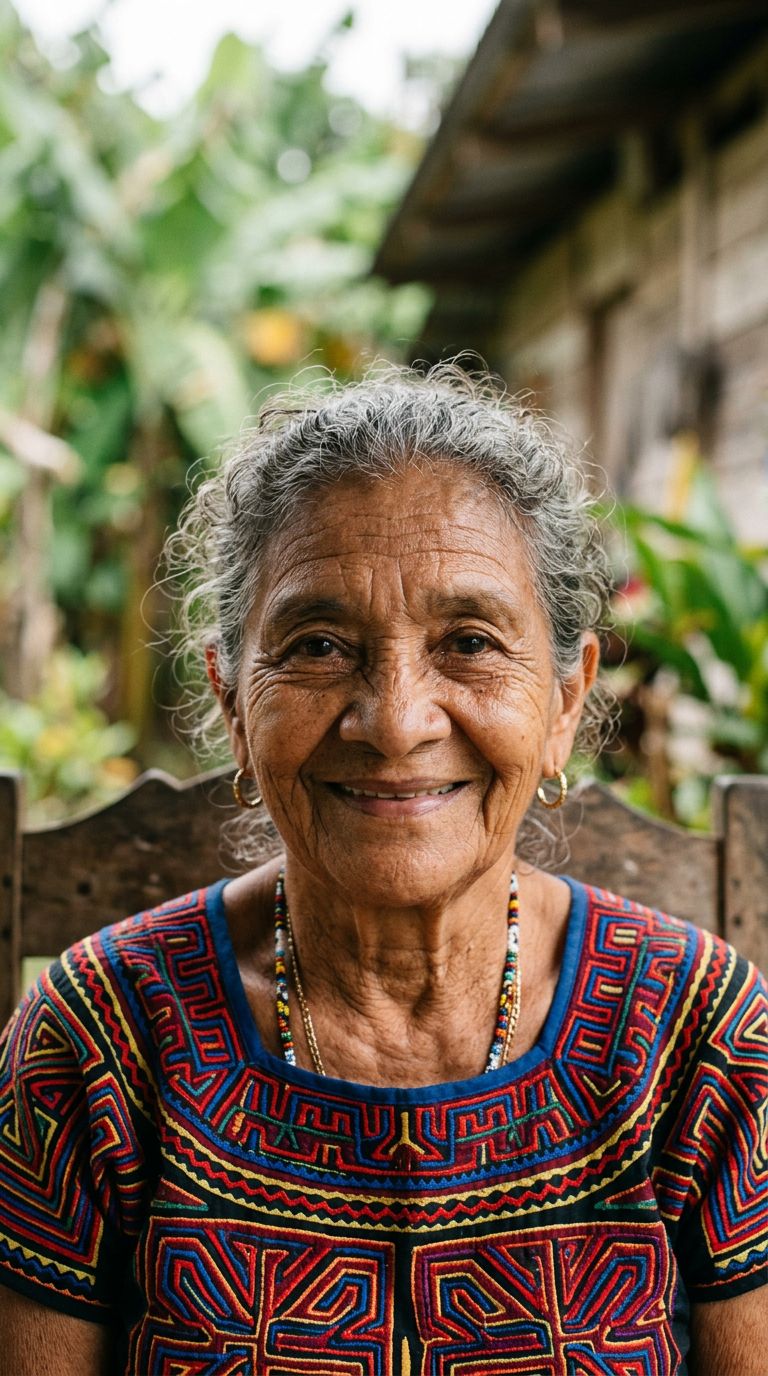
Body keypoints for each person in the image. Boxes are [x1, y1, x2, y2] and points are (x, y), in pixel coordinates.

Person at [0, 364, 766, 1376]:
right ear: (232, 700)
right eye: (318, 644)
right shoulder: (97, 1041)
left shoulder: (699, 1037)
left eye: (470, 641)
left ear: (566, 702)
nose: (397, 721)